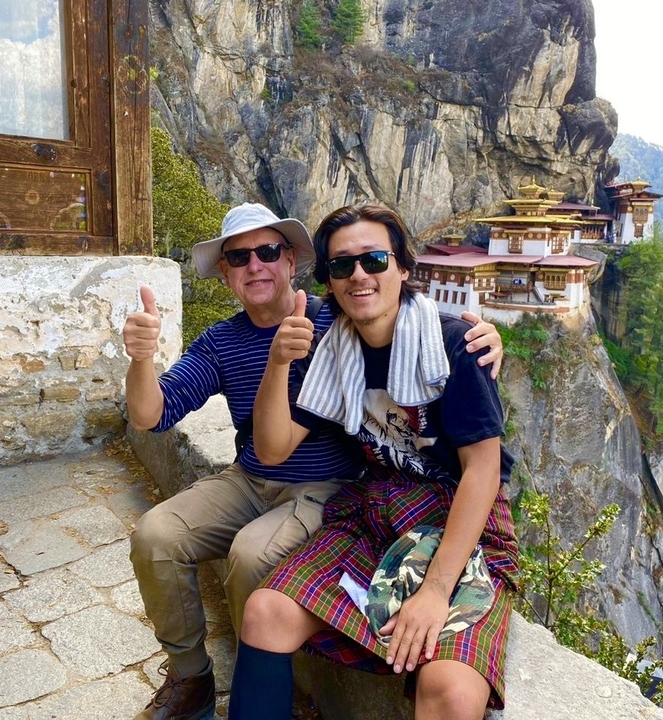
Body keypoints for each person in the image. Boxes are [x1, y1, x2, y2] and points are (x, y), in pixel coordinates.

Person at [123, 202, 505, 720]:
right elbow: (160, 417)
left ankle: (256, 667)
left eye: (267, 252)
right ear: (226, 274)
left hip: (344, 488)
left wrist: (482, 334)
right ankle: (197, 677)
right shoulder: (305, 343)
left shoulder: (341, 324)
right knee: (156, 536)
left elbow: (406, 316)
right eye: (239, 257)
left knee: (253, 555)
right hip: (315, 489)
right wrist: (142, 358)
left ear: (292, 263)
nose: (254, 265)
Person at [229, 201, 518, 720]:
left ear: (403, 268)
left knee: (451, 691)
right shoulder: (333, 348)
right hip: (377, 508)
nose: (358, 275)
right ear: (330, 281)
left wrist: (434, 592)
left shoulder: (454, 345)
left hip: (460, 517)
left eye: (374, 260)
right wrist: (277, 362)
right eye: (342, 265)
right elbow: (272, 448)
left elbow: (483, 471)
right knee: (265, 612)